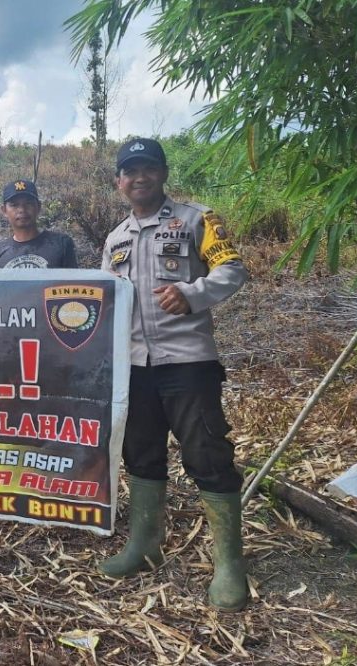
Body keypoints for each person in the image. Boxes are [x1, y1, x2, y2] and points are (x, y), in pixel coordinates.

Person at [99, 138, 248, 611]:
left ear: (163, 173)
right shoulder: (115, 238)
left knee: (207, 454)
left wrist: (193, 293)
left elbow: (232, 270)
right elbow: (104, 300)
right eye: (130, 171)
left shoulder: (197, 219)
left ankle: (229, 564)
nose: (139, 177)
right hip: (134, 367)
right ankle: (145, 545)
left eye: (148, 168)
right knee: (141, 455)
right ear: (119, 182)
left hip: (188, 361)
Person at [0, 179, 77, 269]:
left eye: (28, 203)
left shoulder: (61, 244)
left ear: (38, 207)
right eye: (14, 205)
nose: (22, 210)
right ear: (4, 210)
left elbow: (72, 278)